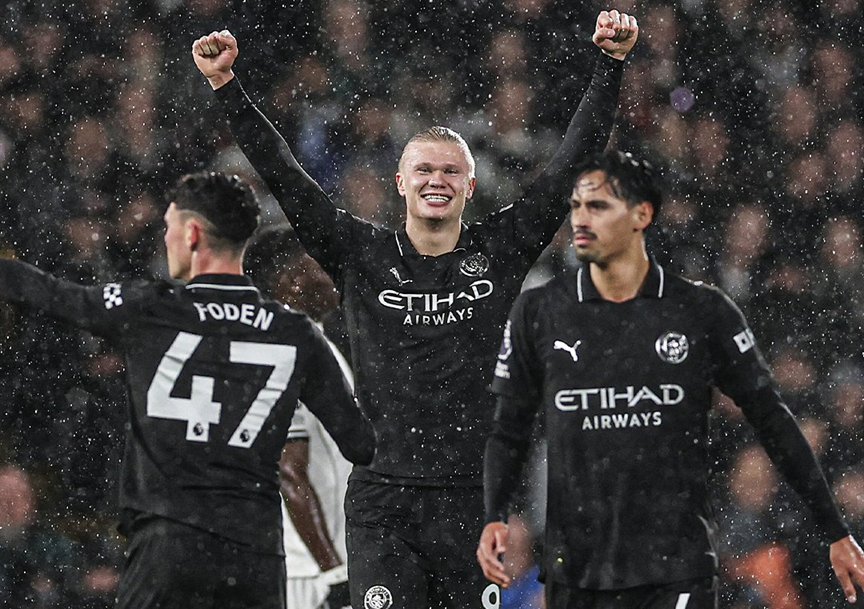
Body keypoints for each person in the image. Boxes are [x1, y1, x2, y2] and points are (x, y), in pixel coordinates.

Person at [192, 12, 638, 608]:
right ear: (400, 182)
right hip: (384, 500)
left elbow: (568, 169)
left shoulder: (499, 250)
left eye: (450, 170)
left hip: (471, 501)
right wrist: (227, 85)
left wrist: (610, 66)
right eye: (423, 170)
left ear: (470, 185)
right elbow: (285, 175)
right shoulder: (359, 253)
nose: (437, 179)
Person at [477, 150, 864, 609]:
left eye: (598, 206)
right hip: (578, 570)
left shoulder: (701, 310)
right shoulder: (539, 311)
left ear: (642, 214)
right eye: (577, 205)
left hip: (676, 567)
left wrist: (833, 527)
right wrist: (493, 515)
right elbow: (508, 429)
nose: (581, 218)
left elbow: (773, 421)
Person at [0, 172, 374, 609]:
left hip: (169, 545)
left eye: (168, 226)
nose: (166, 237)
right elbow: (361, 443)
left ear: (192, 233)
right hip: (257, 554)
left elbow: (47, 292)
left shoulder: (150, 308)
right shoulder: (297, 334)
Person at [245, 225, 353, 609]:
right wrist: (334, 573)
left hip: (325, 561)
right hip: (309, 573)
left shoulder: (313, 343)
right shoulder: (284, 349)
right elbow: (288, 471)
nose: (333, 272)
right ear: (292, 282)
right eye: (320, 265)